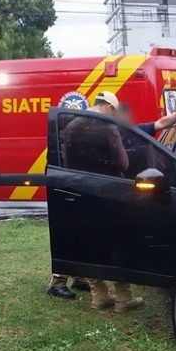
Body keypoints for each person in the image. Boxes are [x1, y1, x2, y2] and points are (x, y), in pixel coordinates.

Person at [47, 90, 128, 300]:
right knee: (84, 236)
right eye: (114, 112)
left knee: (76, 233)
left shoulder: (74, 123)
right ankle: (57, 282)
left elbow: (67, 154)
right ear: (110, 108)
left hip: (74, 184)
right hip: (98, 189)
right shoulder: (107, 126)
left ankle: (80, 276)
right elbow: (122, 163)